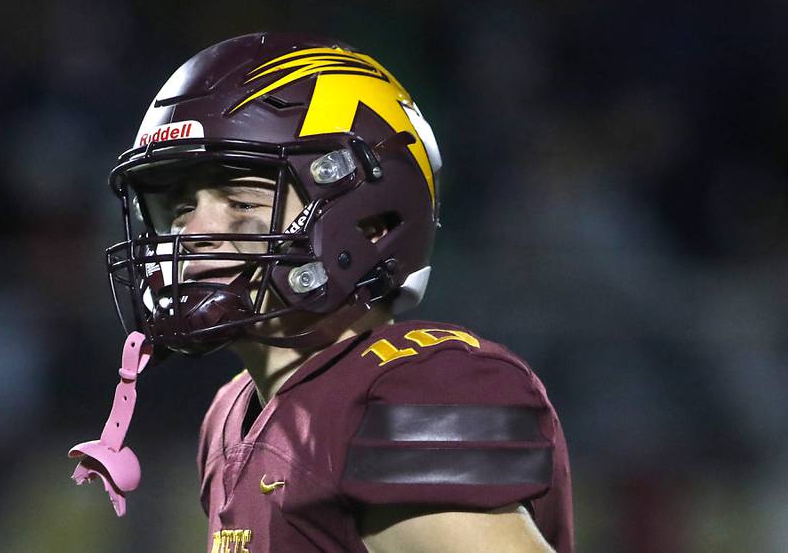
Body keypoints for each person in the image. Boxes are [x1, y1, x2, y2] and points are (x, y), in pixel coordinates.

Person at [68, 33, 574, 552]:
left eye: (241, 201)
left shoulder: (411, 389)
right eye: (177, 208)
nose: (192, 232)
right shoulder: (231, 413)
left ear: (371, 223)